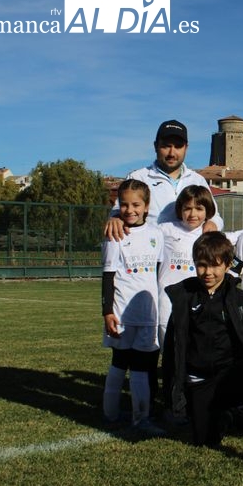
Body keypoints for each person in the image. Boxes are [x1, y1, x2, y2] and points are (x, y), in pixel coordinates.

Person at [162, 232, 243, 470]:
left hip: (231, 377)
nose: (208, 272)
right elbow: (174, 350)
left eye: (215, 265)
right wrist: (173, 393)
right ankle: (229, 415)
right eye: (202, 265)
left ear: (227, 265)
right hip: (200, 382)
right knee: (205, 440)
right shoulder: (184, 300)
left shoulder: (242, 300)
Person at [101, 179, 165, 436]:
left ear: (146, 206)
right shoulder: (114, 234)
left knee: (141, 366)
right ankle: (110, 414)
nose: (130, 210)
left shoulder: (156, 234)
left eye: (136, 204)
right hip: (121, 313)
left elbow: (157, 272)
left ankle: (141, 418)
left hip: (147, 314)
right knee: (119, 363)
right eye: (124, 205)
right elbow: (107, 275)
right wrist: (107, 311)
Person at [105, 119, 223, 240]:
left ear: (186, 148)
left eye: (178, 146)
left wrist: (213, 223)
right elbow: (119, 209)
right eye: (166, 146)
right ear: (156, 146)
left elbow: (214, 215)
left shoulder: (197, 180)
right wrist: (115, 218)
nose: (172, 153)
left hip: (188, 253)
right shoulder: (138, 177)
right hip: (149, 253)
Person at [157, 185, 215, 355]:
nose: (192, 214)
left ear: (208, 210)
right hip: (167, 298)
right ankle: (171, 379)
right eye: (187, 208)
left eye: (199, 208)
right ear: (180, 209)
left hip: (198, 299)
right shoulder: (165, 229)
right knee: (169, 346)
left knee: (195, 347)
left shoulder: (210, 235)